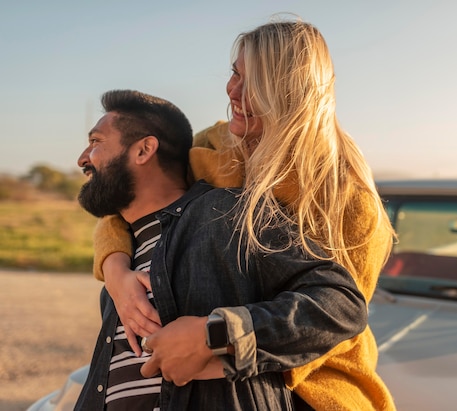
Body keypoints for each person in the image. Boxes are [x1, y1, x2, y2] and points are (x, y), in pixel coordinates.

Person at [93, 18, 397, 410]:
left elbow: (332, 320)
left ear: (289, 93)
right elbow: (130, 193)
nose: (231, 89)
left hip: (309, 388)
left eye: (250, 82)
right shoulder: (210, 146)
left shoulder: (348, 197)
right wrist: (117, 275)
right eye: (234, 73)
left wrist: (217, 347)